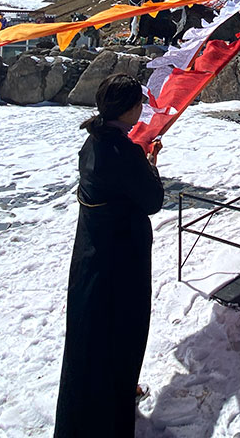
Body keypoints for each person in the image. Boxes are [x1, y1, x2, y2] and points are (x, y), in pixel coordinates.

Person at [54, 73, 164, 438]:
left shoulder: (94, 141)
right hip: (121, 259)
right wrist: (150, 165)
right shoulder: (124, 151)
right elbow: (152, 201)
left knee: (92, 334)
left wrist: (140, 160)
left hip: (91, 253)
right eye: (139, 105)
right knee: (123, 330)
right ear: (130, 109)